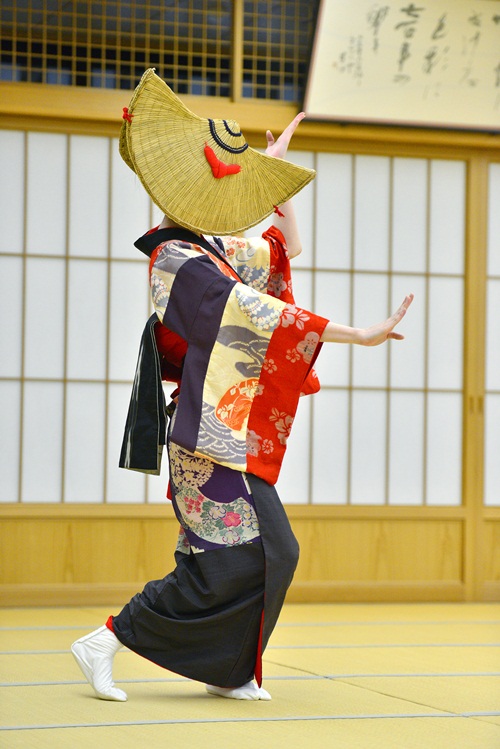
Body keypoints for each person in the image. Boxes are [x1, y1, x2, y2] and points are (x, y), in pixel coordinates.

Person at [71, 69, 413, 703]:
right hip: (202, 437)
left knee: (262, 555)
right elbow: (260, 315)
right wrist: (359, 334)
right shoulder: (174, 258)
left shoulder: (214, 249)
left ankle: (229, 670)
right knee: (235, 559)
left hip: (226, 432)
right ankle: (108, 638)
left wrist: (274, 178)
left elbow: (287, 247)